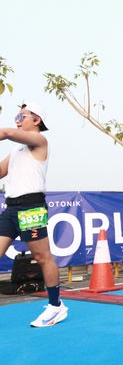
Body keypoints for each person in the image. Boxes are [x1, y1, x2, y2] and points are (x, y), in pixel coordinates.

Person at [0, 102, 67, 327]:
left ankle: (56, 306)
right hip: (10, 208)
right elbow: (0, 171)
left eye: (22, 116)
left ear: (36, 120)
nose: (17, 120)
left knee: (42, 257)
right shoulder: (16, 150)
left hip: (31, 207)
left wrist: (7, 132)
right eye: (16, 115)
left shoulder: (40, 140)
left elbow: (6, 133)